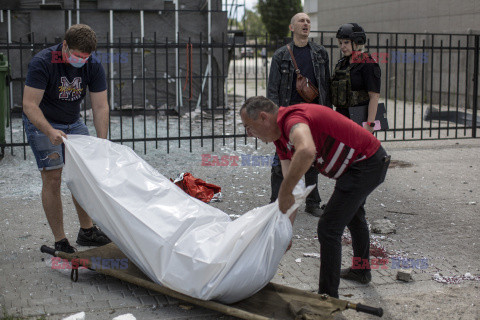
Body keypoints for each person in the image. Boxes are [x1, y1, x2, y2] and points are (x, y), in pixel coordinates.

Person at [240, 96, 390, 298]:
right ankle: (361, 270)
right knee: (354, 217)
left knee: (328, 228)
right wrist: (287, 231)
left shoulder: (293, 121)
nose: (249, 134)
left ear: (263, 117)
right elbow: (293, 190)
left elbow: (307, 150)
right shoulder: (280, 140)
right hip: (355, 167)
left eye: (249, 127)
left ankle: (327, 298)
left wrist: (284, 189)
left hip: (367, 163)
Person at [22, 24, 111, 253]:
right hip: (43, 122)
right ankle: (60, 240)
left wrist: (102, 142)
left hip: (73, 123)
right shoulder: (42, 63)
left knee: (82, 177)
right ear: (64, 46)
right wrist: (49, 131)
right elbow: (29, 105)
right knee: (53, 178)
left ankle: (87, 231)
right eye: (77, 55)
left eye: (86, 56)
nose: (81, 60)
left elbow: (100, 106)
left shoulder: (92, 65)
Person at [267, 12, 331, 217]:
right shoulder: (281, 55)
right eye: (301, 21)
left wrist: (327, 114)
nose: (306, 24)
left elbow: (325, 87)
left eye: (308, 21)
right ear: (292, 27)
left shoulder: (320, 53)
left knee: (312, 158)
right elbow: (272, 90)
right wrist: (275, 119)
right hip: (288, 116)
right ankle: (276, 201)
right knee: (281, 159)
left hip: (313, 116)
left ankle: (312, 202)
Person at [331, 23, 381, 133]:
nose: (342, 46)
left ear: (357, 41)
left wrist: (370, 124)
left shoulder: (368, 64)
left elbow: (374, 96)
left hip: (359, 119)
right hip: (341, 117)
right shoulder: (342, 64)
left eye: (346, 42)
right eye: (340, 43)